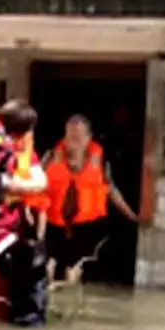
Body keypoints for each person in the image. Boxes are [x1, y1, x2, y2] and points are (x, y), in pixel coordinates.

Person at [42, 114, 141, 284]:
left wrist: (132, 216)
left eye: (79, 136)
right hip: (54, 224)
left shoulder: (100, 160)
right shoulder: (51, 156)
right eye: (70, 136)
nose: (74, 141)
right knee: (48, 266)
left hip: (88, 225)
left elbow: (111, 189)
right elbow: (35, 187)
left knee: (73, 271)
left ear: (89, 138)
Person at [0, 99, 50, 324]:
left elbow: (40, 183)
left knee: (32, 265)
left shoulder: (27, 155)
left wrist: (11, 185)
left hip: (18, 227)